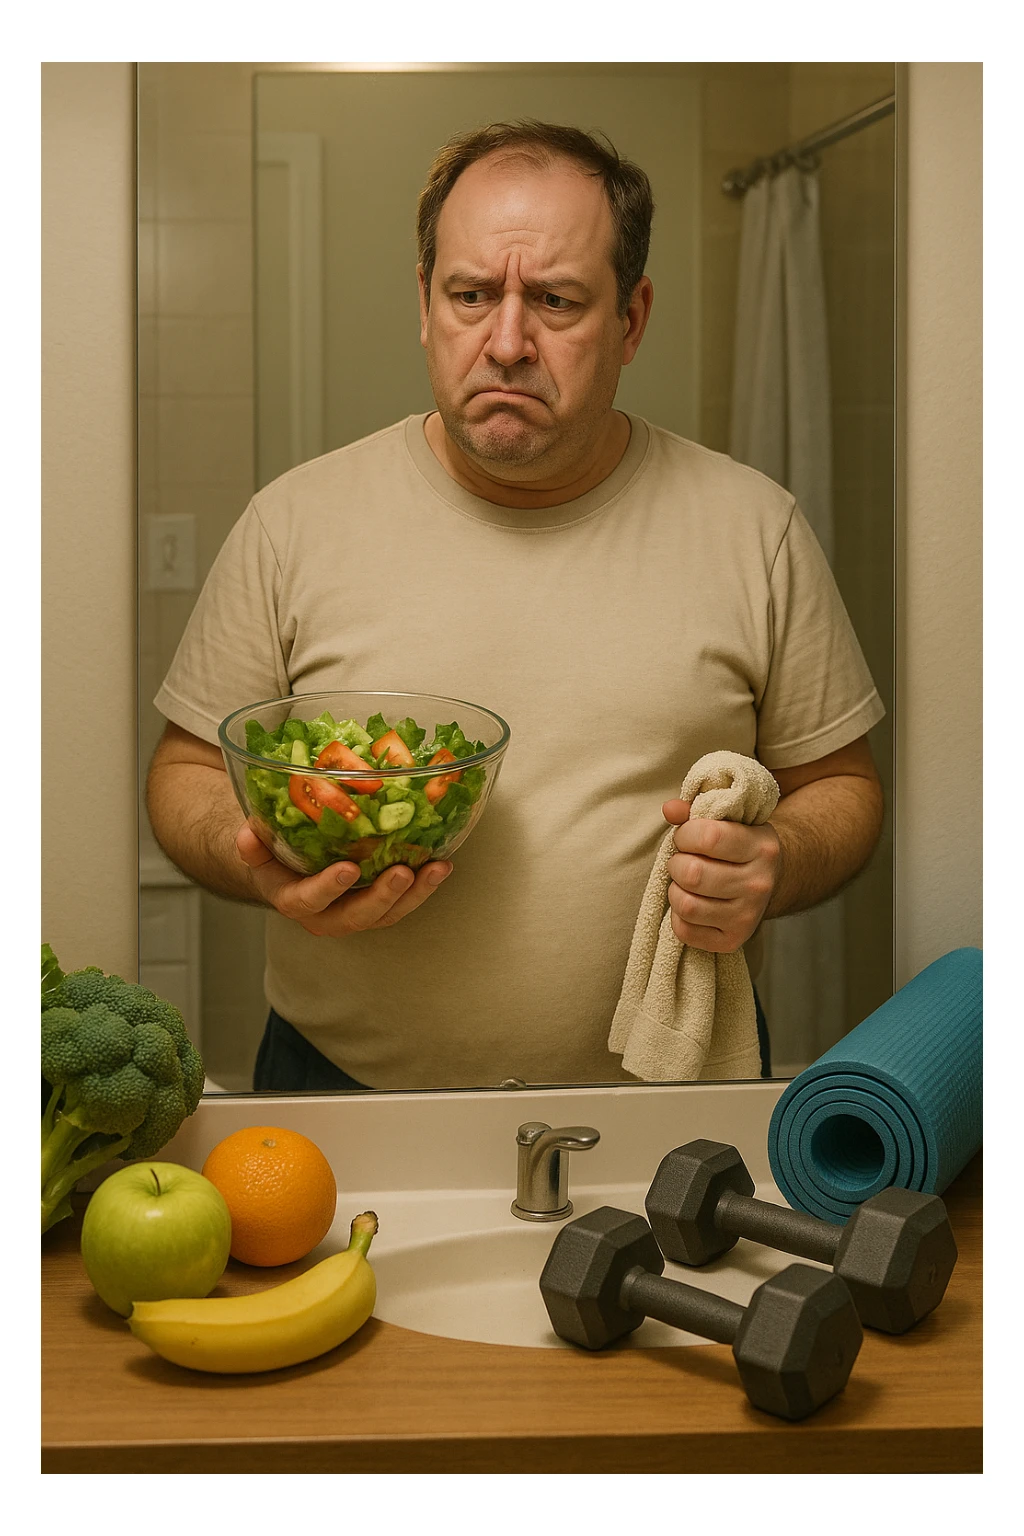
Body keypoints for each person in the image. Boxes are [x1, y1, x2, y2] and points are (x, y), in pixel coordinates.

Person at [146, 119, 884, 1093]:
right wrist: (257, 861)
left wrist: (773, 863)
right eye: (469, 295)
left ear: (630, 318)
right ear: (423, 303)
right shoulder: (291, 523)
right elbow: (186, 773)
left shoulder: (756, 528)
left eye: (555, 300)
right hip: (339, 1082)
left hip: (661, 1098)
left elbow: (843, 788)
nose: (505, 341)